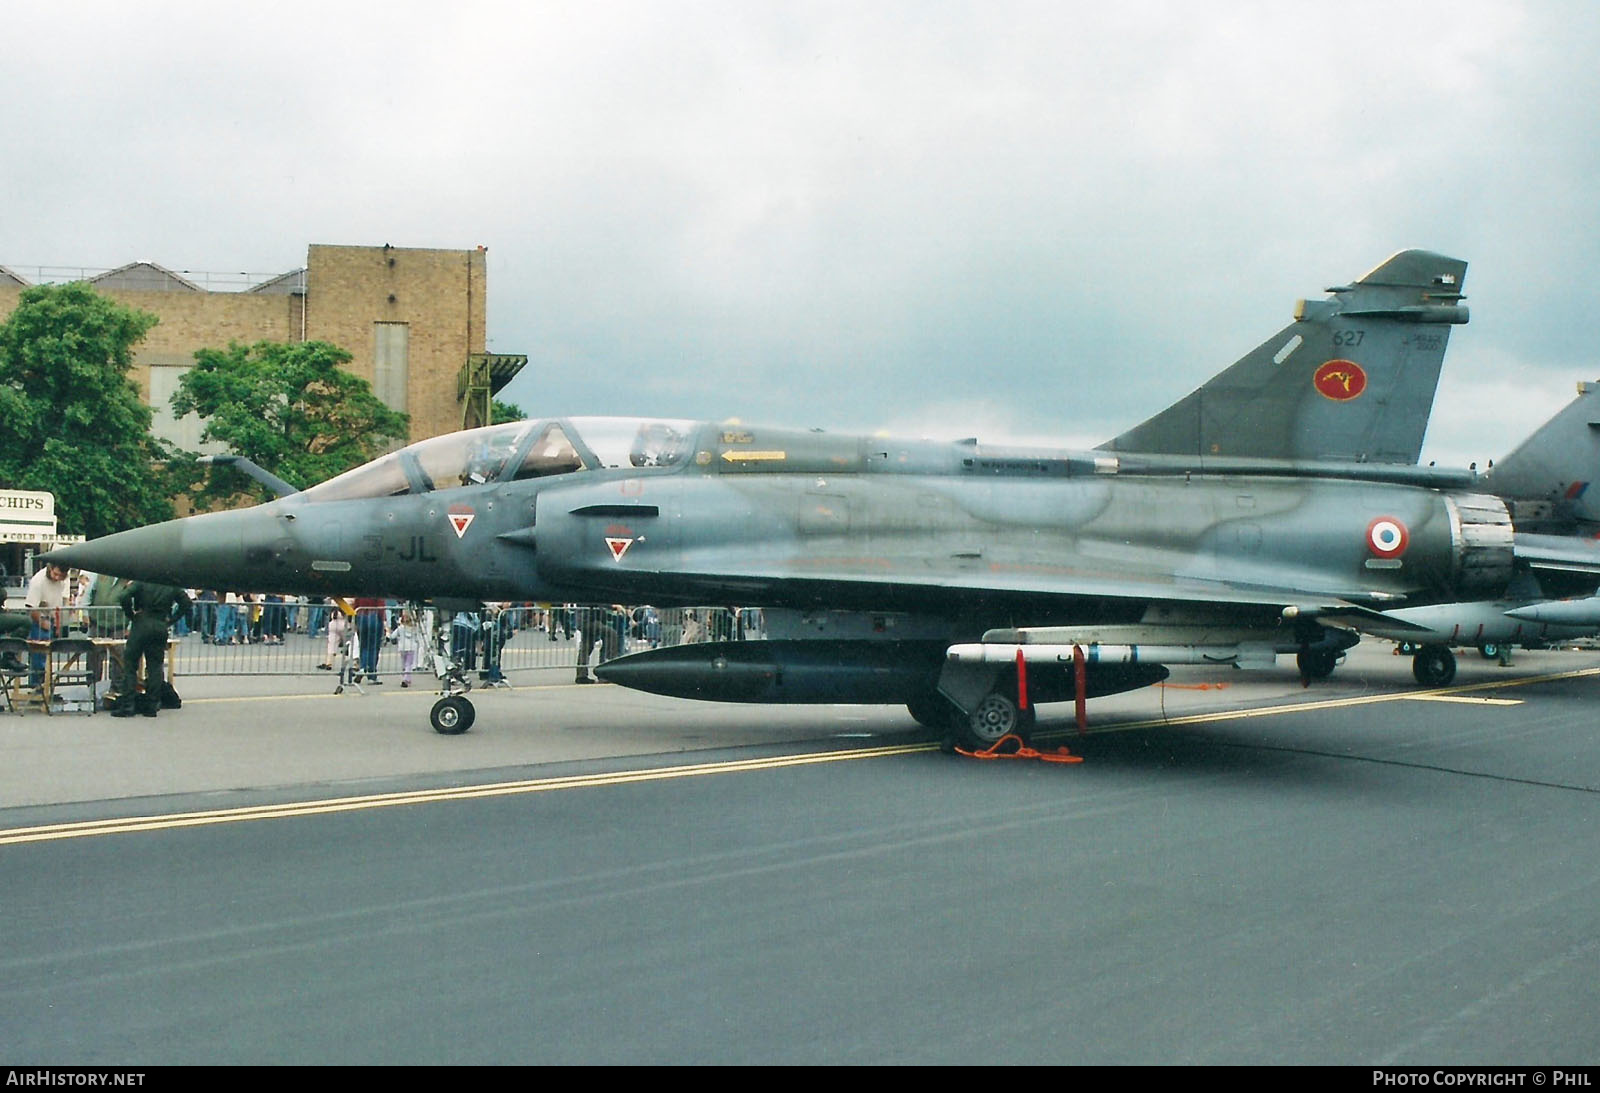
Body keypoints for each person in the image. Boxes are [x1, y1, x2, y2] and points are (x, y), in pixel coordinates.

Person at [110, 581, 192, 718]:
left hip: (141, 623)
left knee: (130, 665)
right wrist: (172, 619)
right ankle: (152, 706)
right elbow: (187, 603)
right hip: (160, 624)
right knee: (155, 666)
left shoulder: (142, 581)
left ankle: (128, 705)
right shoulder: (171, 584)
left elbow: (124, 596)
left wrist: (130, 613)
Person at [24, 561, 72, 687]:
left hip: (52, 616)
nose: (57, 578)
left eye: (60, 576)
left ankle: (45, 686)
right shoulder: (38, 581)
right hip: (39, 618)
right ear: (50, 568)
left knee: (47, 656)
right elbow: (30, 607)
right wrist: (41, 622)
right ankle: (37, 686)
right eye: (55, 574)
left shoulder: (63, 581)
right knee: (38, 656)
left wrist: (58, 622)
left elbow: (60, 600)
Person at [391, 609, 424, 688]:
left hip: (402, 647)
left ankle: (405, 677)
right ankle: (406, 678)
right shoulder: (414, 628)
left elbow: (393, 636)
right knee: (409, 664)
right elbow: (418, 638)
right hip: (411, 647)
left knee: (403, 663)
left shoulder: (400, 628)